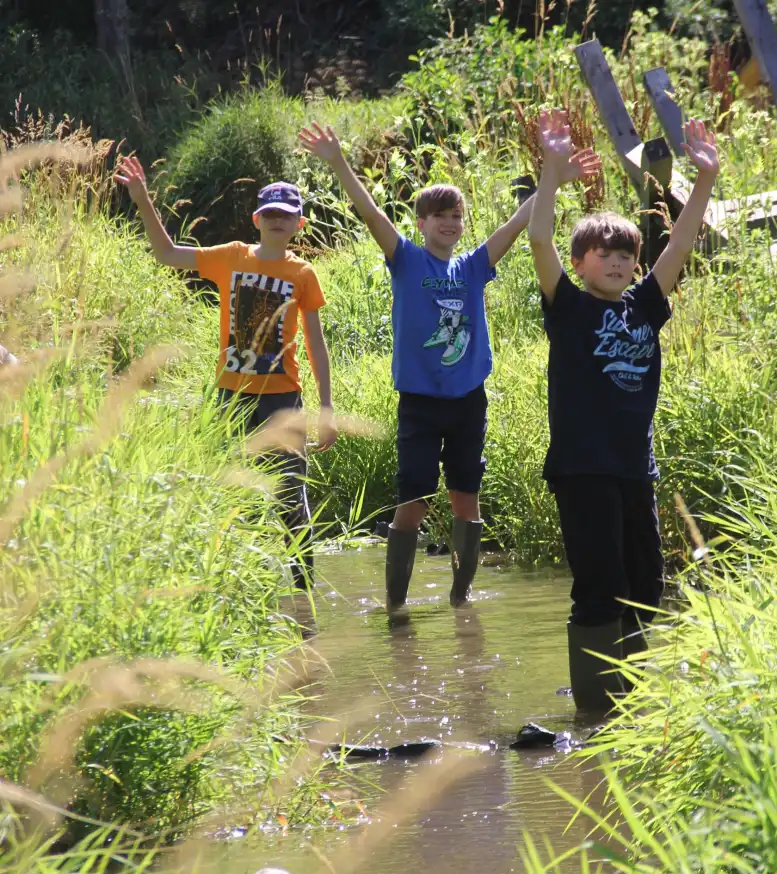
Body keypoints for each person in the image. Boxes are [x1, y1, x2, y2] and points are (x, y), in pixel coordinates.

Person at [298, 122, 598, 616]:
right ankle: (396, 605)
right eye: (439, 216)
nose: (450, 223)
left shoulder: (474, 266)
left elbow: (520, 222)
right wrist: (337, 163)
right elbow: (370, 213)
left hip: (467, 403)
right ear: (421, 223)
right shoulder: (407, 261)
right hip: (418, 404)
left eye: (457, 215)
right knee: (413, 500)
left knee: (466, 500)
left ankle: (461, 602)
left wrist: (553, 179)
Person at [528, 109, 720, 713]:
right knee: (599, 590)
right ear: (580, 263)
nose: (615, 262)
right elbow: (537, 239)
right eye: (602, 254)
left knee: (646, 587)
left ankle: (630, 702)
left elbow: (682, 241)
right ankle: (593, 713)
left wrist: (706, 179)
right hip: (582, 468)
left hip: (635, 469)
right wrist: (551, 176)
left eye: (624, 255)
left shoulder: (644, 306)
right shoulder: (569, 309)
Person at [114, 158, 337, 588]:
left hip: (282, 401)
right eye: (269, 213)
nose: (276, 220)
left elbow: (316, 345)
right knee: (234, 497)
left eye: (285, 215)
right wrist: (143, 201)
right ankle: (235, 592)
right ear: (257, 219)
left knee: (292, 500)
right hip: (230, 400)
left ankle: (303, 594)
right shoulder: (231, 258)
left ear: (299, 224)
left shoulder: (302, 274)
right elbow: (167, 254)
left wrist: (326, 409)